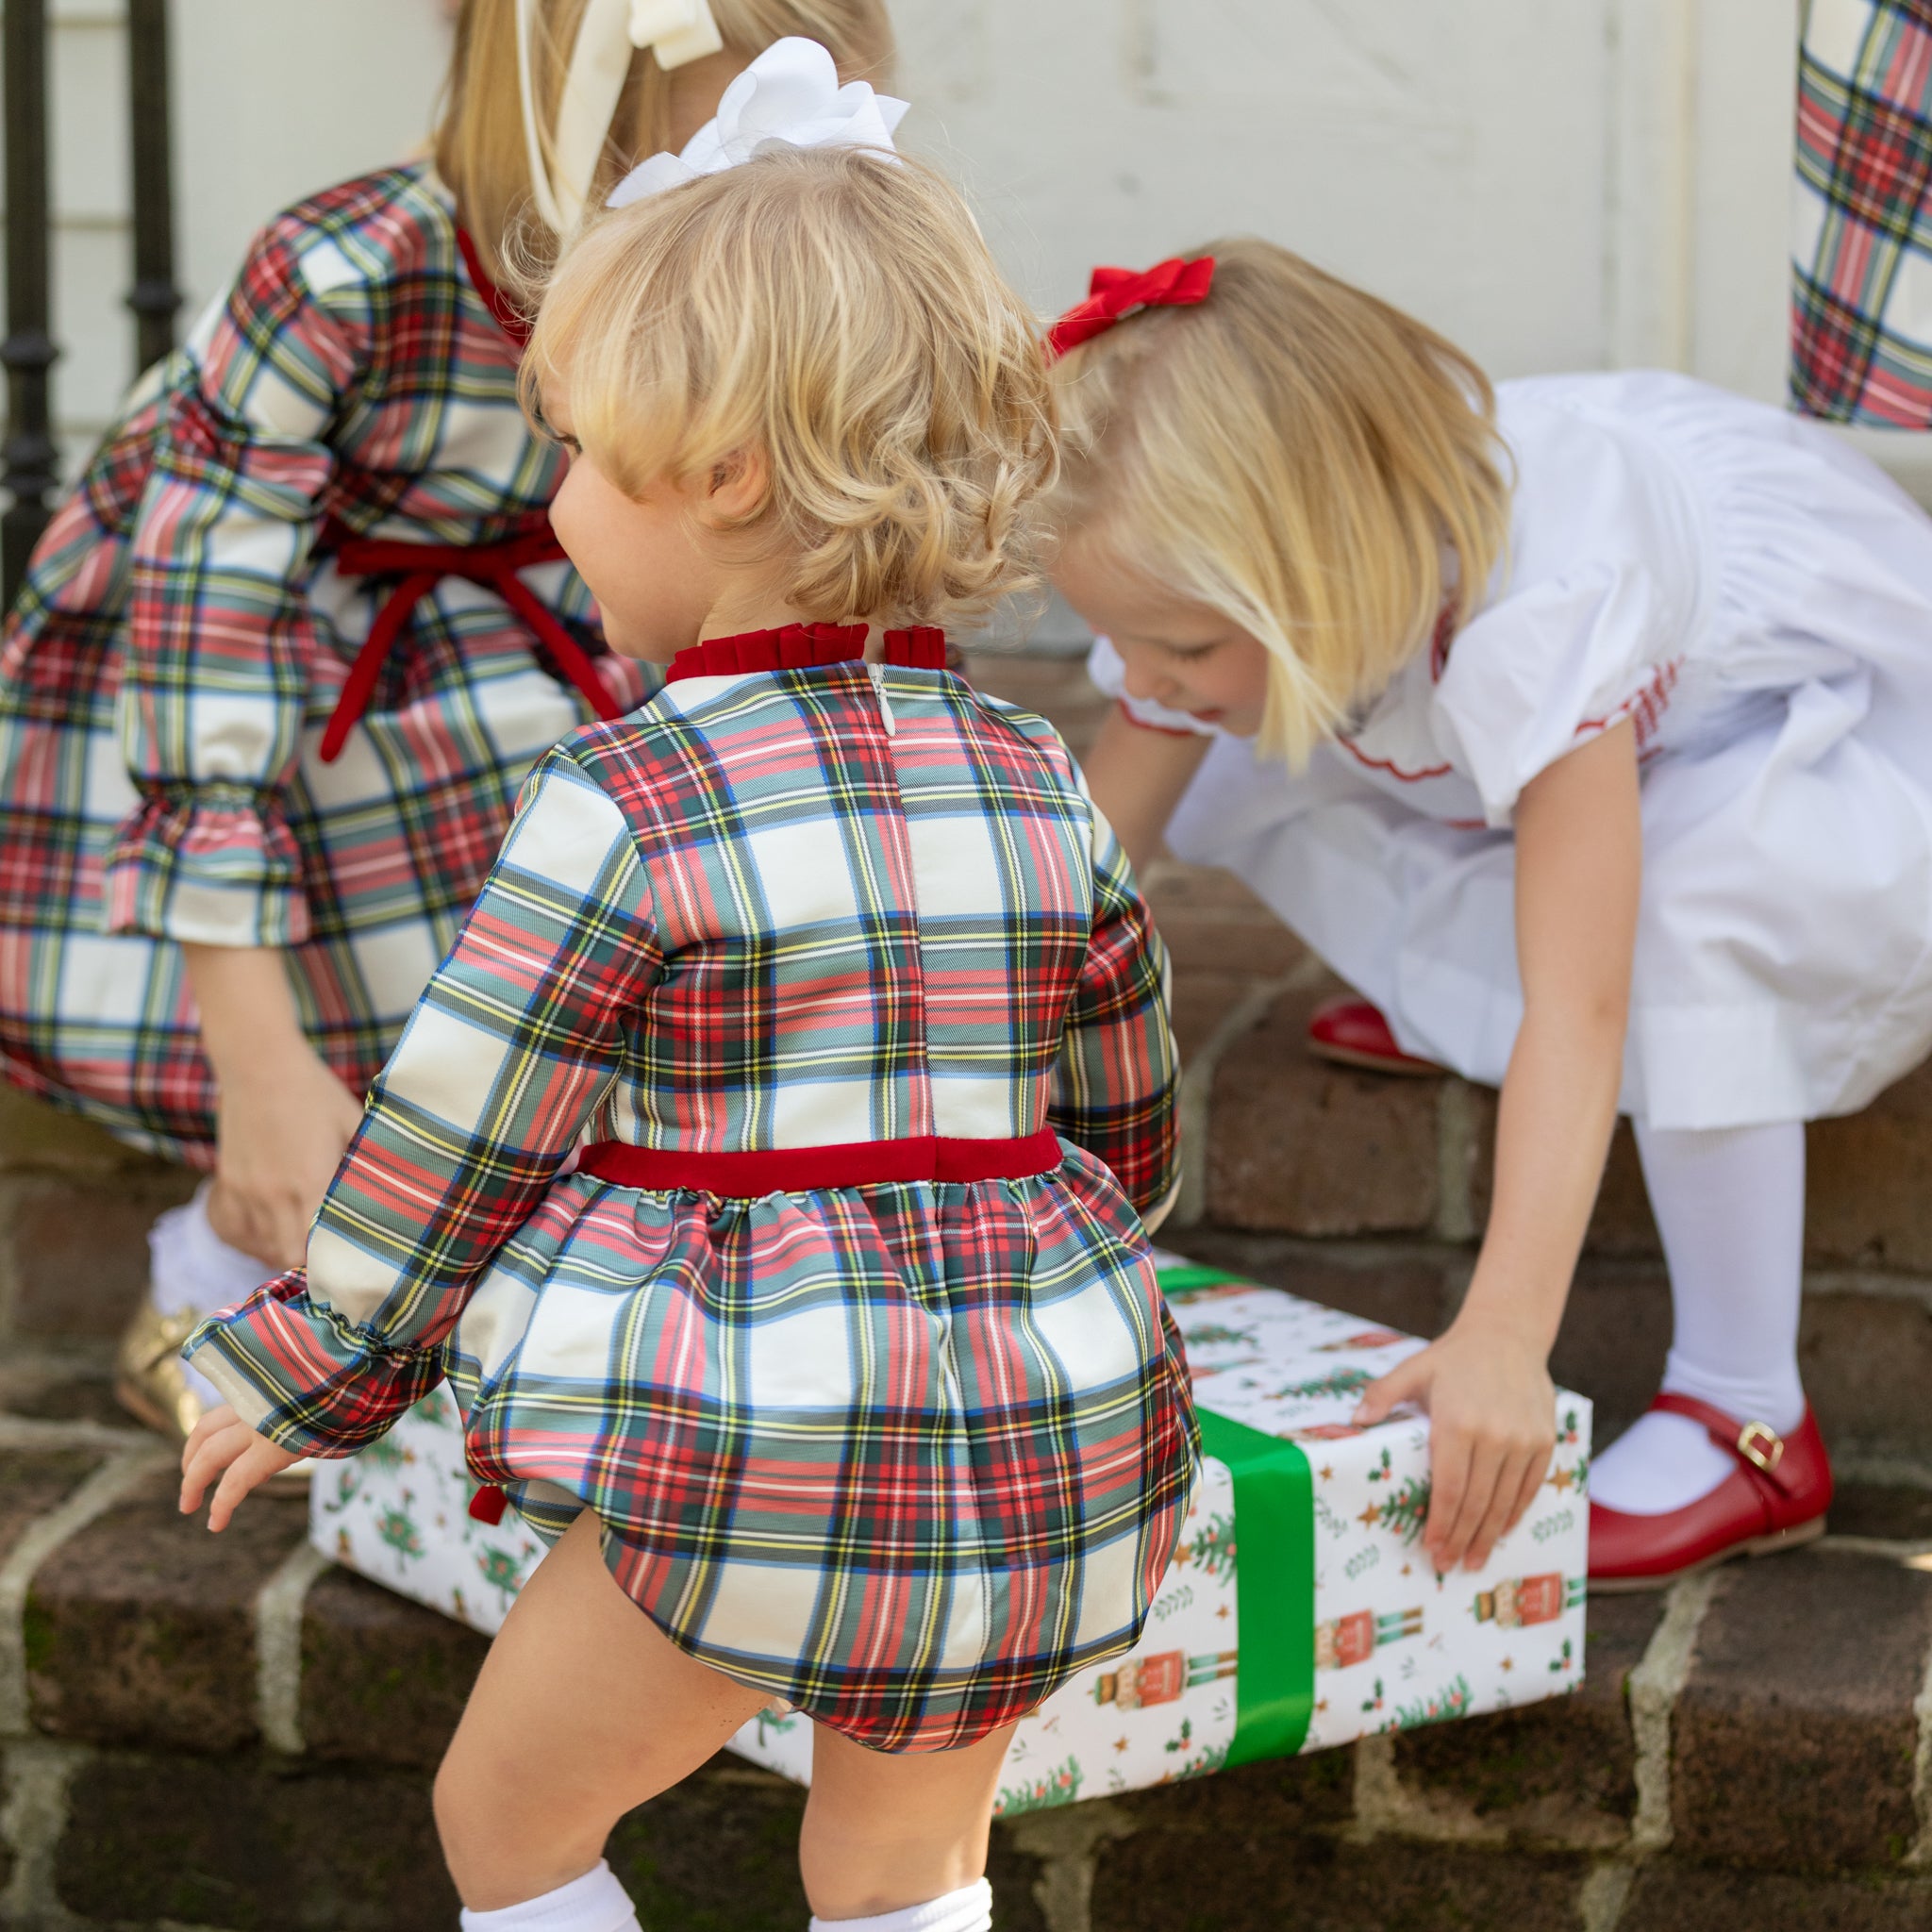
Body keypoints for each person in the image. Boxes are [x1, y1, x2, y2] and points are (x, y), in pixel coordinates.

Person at [176, 55, 1197, 1932]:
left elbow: (462, 1125)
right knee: (902, 1865)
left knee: (509, 1815)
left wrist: (318, 1358)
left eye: (574, 447)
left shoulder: (629, 798)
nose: (552, 498)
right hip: (1031, 1419)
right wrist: (1081, 1232)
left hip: (757, 1437)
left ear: (721, 472)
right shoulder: (1026, 768)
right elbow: (1122, 1095)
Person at [0, 0, 895, 1452]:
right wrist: (259, 1066)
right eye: (708, 151)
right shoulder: (348, 268)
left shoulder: (752, 268)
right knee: (418, 968)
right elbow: (207, 625)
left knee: (628, 912)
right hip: (304, 688)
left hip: (555, 646)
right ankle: (227, 1265)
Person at [1045, 239, 1932, 1590]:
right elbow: (1087, 872)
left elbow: (1582, 1006)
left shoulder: (1549, 600)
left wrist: (1506, 1333)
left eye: (1179, 647)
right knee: (1236, 760)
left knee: (1687, 908)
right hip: (1586, 736)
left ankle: (1746, 1410)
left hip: (1810, 725)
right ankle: (1460, 1005)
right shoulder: (1271, 585)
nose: (1151, 678)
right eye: (1137, 642)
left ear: (1319, 567)